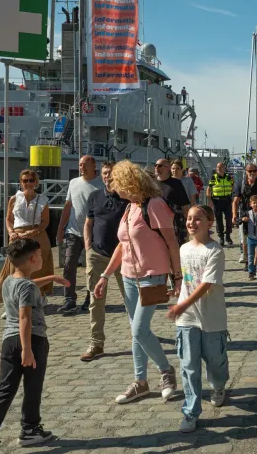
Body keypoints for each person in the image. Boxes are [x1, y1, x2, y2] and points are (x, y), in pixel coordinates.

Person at [93, 160, 180, 404]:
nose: (111, 185)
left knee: (139, 329)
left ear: (128, 182)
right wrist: (105, 275)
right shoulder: (130, 207)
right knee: (136, 332)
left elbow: (172, 242)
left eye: (115, 181)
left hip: (152, 275)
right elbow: (122, 245)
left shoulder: (155, 205)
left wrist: (177, 277)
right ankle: (140, 382)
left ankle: (166, 370)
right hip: (129, 276)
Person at [0, 239, 69, 451]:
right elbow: (25, 318)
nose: (42, 258)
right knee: (33, 387)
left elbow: (26, 286)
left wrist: (52, 278)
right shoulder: (27, 287)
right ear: (31, 259)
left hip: (9, 341)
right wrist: (28, 349)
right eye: (39, 255)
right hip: (32, 340)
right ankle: (30, 429)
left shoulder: (9, 281)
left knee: (5, 389)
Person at [166, 205, 229, 433]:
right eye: (189, 218)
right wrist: (178, 292)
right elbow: (188, 279)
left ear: (210, 223)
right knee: (189, 366)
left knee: (215, 362)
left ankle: (218, 386)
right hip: (187, 318)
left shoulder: (215, 250)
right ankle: (191, 412)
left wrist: (182, 304)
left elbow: (207, 284)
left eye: (198, 218)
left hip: (212, 318)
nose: (192, 222)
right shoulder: (184, 248)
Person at [80, 161, 128, 362]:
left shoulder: (127, 197)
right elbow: (88, 223)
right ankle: (96, 343)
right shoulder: (94, 196)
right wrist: (88, 247)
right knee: (96, 300)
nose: (108, 177)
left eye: (111, 173)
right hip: (97, 254)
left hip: (123, 256)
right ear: (101, 175)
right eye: (105, 173)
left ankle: (140, 335)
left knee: (131, 299)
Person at [0, 170, 54, 305]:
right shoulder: (14, 199)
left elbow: (45, 221)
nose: (28, 183)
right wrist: (11, 232)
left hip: (37, 234)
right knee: (16, 268)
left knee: (37, 268)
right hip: (17, 235)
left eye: (31, 180)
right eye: (25, 180)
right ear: (21, 182)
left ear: (36, 182)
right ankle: (14, 301)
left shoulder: (42, 200)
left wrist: (33, 232)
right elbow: (8, 219)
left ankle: (38, 296)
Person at [56, 155, 104, 314]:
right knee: (69, 265)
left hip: (94, 233)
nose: (81, 167)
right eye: (80, 164)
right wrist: (60, 228)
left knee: (92, 268)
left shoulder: (101, 184)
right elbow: (68, 206)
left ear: (94, 165)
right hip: (73, 231)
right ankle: (69, 299)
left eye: (85, 164)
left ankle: (91, 297)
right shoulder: (73, 183)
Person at [233, 164, 257, 268]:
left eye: (254, 171)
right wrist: (234, 215)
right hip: (245, 215)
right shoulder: (240, 183)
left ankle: (254, 264)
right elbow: (235, 201)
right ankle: (248, 261)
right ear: (246, 172)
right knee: (244, 241)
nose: (252, 173)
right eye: (250, 171)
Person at [155, 159, 191, 246]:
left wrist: (188, 227)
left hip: (173, 226)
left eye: (159, 166)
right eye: (155, 165)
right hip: (155, 225)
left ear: (167, 168)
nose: (156, 167)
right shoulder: (152, 183)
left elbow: (185, 206)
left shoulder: (176, 184)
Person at [207, 162, 235, 247]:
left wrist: (232, 197)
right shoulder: (214, 177)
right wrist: (209, 200)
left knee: (229, 219)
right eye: (217, 167)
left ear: (224, 168)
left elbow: (232, 186)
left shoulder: (228, 177)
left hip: (227, 201)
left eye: (221, 167)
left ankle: (228, 236)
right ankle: (221, 237)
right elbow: (209, 189)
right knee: (219, 220)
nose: (219, 168)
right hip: (217, 201)